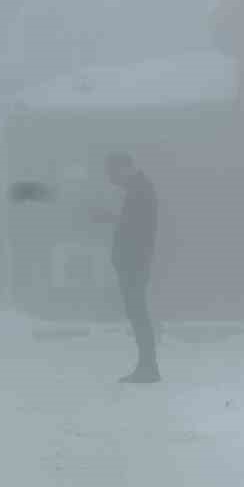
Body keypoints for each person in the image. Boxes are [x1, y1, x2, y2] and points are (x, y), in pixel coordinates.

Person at [96, 152, 161, 383]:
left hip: (134, 264)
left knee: (138, 313)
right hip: (134, 263)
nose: (112, 179)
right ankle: (147, 365)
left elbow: (136, 229)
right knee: (137, 313)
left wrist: (111, 218)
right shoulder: (138, 189)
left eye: (113, 173)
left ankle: (148, 366)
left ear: (124, 167)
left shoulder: (140, 191)